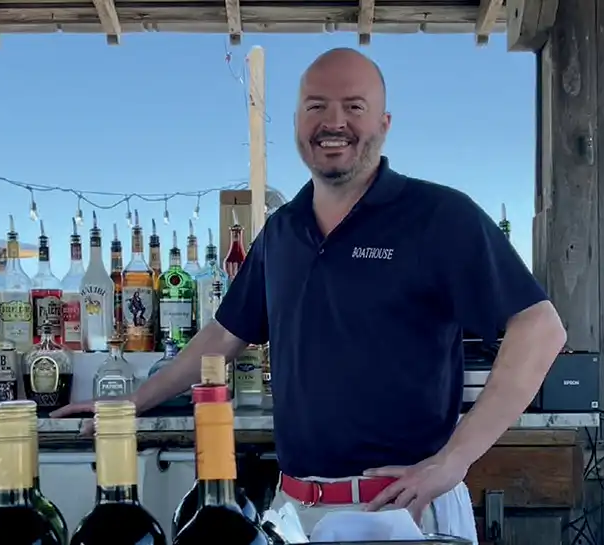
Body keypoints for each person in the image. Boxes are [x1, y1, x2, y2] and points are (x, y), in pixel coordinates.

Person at [52, 47, 566, 541]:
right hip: (296, 511)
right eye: (316, 106)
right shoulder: (281, 233)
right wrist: (133, 400)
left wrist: (455, 460)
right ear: (297, 123)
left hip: (404, 510)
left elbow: (540, 328)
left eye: (354, 107)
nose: (333, 121)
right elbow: (223, 334)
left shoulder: (439, 216)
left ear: (384, 124)